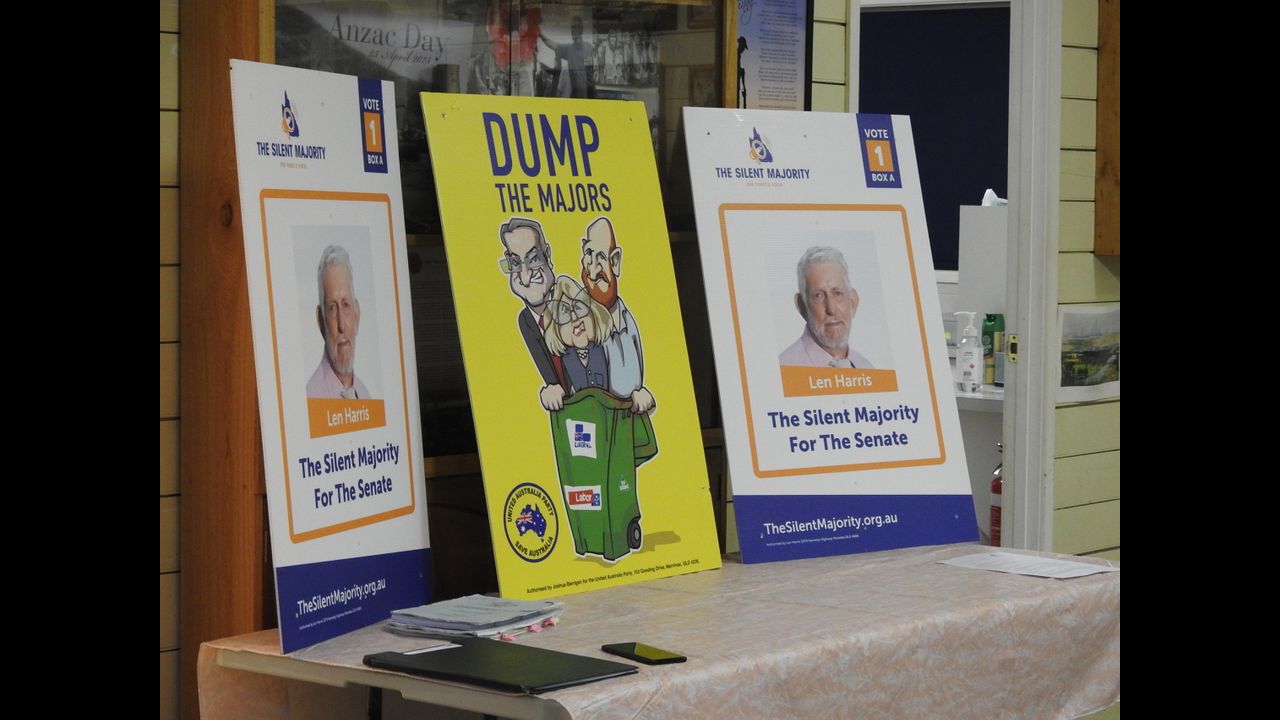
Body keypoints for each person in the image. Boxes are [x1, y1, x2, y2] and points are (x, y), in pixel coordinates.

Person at [579, 217, 655, 413]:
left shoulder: (627, 318)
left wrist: (642, 397)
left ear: (615, 261)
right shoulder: (579, 322)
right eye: (588, 254)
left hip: (628, 422)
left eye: (601, 257)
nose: (593, 270)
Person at [499, 217, 569, 410]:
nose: (526, 276)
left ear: (548, 256)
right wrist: (551, 389)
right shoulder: (526, 320)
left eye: (534, 259)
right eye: (515, 263)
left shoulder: (572, 305)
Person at [779, 246, 874, 369]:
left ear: (853, 302)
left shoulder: (868, 368)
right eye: (818, 296)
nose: (831, 309)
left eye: (837, 293)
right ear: (801, 306)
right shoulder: (783, 369)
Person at [307, 245, 373, 399]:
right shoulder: (311, 398)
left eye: (346, 305)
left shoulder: (365, 395)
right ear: (320, 321)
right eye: (332, 308)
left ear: (356, 315)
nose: (341, 325)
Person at [542, 275, 612, 395]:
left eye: (579, 308)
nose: (574, 318)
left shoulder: (608, 348)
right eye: (564, 313)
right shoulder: (562, 362)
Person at [539, 16, 595, 98]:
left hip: (588, 92)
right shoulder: (569, 49)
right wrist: (540, 35)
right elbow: (553, 45)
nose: (573, 30)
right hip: (575, 93)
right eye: (572, 27)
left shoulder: (589, 48)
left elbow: (592, 71)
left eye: (576, 27)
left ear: (581, 29)